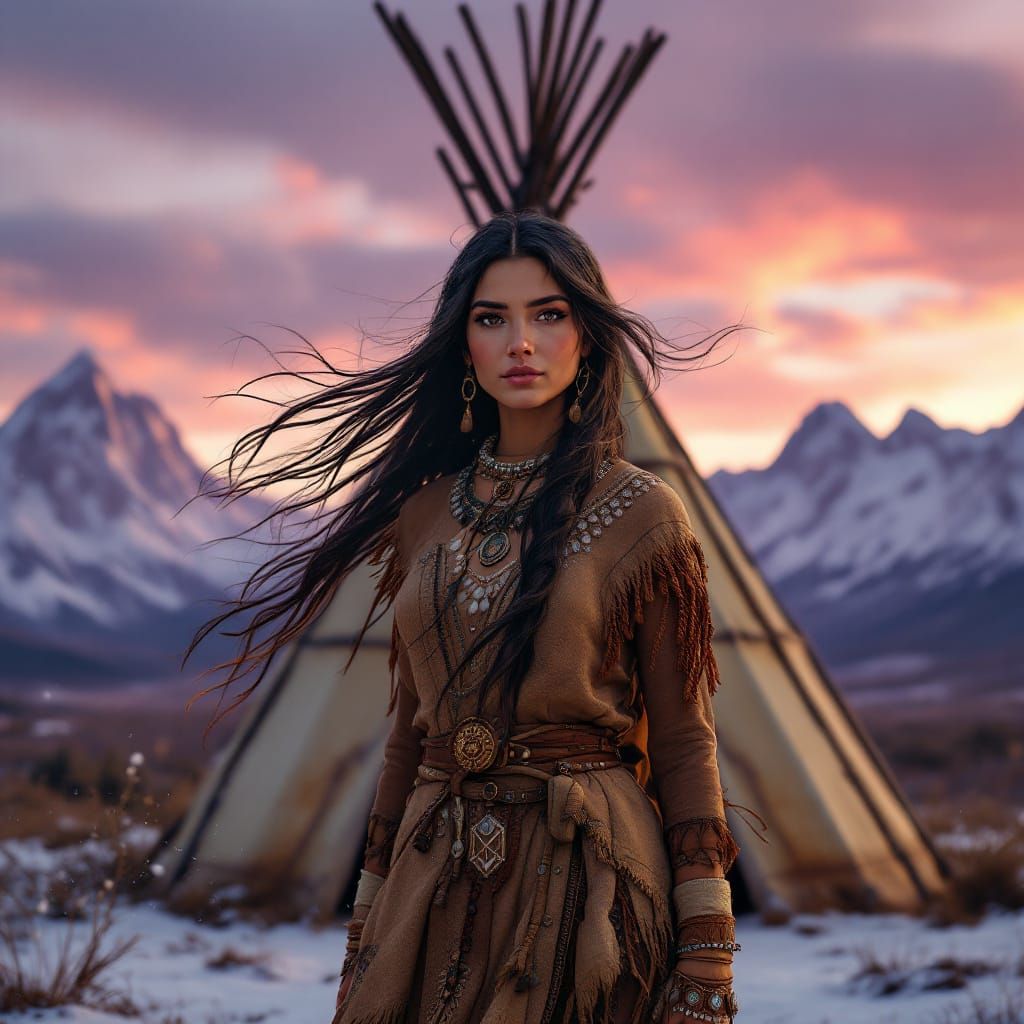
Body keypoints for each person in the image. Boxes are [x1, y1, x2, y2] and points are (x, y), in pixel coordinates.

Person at [185, 209, 749, 1024]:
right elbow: (409, 735)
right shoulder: (421, 516)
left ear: (586, 335)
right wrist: (367, 920)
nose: (520, 341)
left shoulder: (643, 513)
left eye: (548, 314)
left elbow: (686, 733)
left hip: (584, 879)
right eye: (493, 318)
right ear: (465, 343)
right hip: (431, 881)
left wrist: (707, 941)